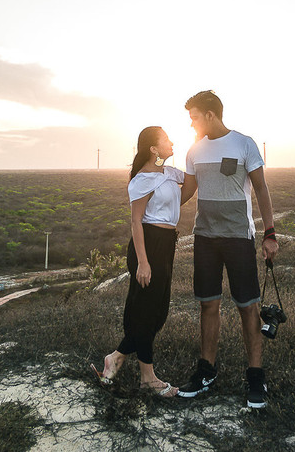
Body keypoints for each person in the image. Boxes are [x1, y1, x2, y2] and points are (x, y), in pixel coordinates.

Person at [176, 90, 278, 409]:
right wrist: (152, 208)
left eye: (194, 117)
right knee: (208, 305)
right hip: (205, 237)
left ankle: (256, 376)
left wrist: (269, 233)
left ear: (210, 115)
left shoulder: (244, 143)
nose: (191, 124)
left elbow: (261, 188)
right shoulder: (193, 150)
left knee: (248, 307)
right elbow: (187, 193)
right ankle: (206, 372)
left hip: (238, 238)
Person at [92, 126, 196, 396]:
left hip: (166, 245)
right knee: (146, 312)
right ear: (153, 148)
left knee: (158, 311)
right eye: (166, 140)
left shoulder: (171, 173)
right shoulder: (141, 179)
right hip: (147, 245)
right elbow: (136, 221)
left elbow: (187, 191)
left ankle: (116, 358)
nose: (172, 143)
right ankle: (147, 378)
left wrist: (197, 151)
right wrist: (143, 262)